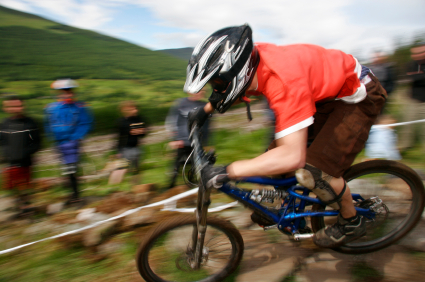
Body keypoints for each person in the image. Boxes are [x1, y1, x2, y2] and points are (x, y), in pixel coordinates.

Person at [184, 24, 387, 248]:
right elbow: (229, 88)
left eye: (217, 83)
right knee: (271, 157)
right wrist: (203, 112)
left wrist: (227, 171)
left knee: (314, 172)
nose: (216, 88)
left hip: (357, 96)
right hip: (324, 95)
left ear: (237, 73)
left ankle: (352, 221)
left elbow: (292, 156)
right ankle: (288, 209)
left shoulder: (283, 81)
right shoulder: (250, 60)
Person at [44, 79, 93, 204]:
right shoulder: (51, 108)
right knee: (66, 170)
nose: (67, 94)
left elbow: (85, 123)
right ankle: (72, 194)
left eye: (69, 92)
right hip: (59, 144)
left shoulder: (80, 107)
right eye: (64, 92)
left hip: (72, 143)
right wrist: (52, 137)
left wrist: (75, 137)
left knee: (72, 169)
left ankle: (76, 196)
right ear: (58, 93)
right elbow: (48, 124)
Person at [0, 95, 41, 214]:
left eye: (18, 105)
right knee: (14, 186)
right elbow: (2, 141)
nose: (16, 108)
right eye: (12, 106)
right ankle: (19, 205)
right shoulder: (4, 125)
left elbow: (36, 142)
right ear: (6, 108)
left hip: (26, 160)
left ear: (23, 106)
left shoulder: (30, 123)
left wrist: (26, 152)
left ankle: (26, 206)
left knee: (25, 185)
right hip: (11, 160)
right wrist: (6, 153)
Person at [165, 87, 210, 189]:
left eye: (202, 91)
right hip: (181, 140)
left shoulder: (204, 106)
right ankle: (170, 186)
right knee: (177, 163)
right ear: (190, 91)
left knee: (194, 164)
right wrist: (174, 139)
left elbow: (207, 126)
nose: (200, 93)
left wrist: (206, 142)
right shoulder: (181, 103)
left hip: (197, 141)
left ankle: (191, 187)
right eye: (198, 90)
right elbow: (172, 120)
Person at [111, 101, 147, 184]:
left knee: (136, 169)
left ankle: (136, 186)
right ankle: (114, 187)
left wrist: (139, 131)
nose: (135, 110)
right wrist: (118, 151)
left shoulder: (138, 119)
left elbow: (143, 133)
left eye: (136, 108)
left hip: (136, 147)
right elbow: (119, 137)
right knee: (121, 169)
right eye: (133, 109)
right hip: (125, 149)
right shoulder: (121, 121)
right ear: (126, 110)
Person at [399, 41, 425, 152]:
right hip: (413, 100)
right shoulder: (411, 64)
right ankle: (404, 146)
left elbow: (414, 78)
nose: (417, 55)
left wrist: (417, 76)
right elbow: (409, 78)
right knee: (407, 124)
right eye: (415, 53)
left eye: (421, 52)